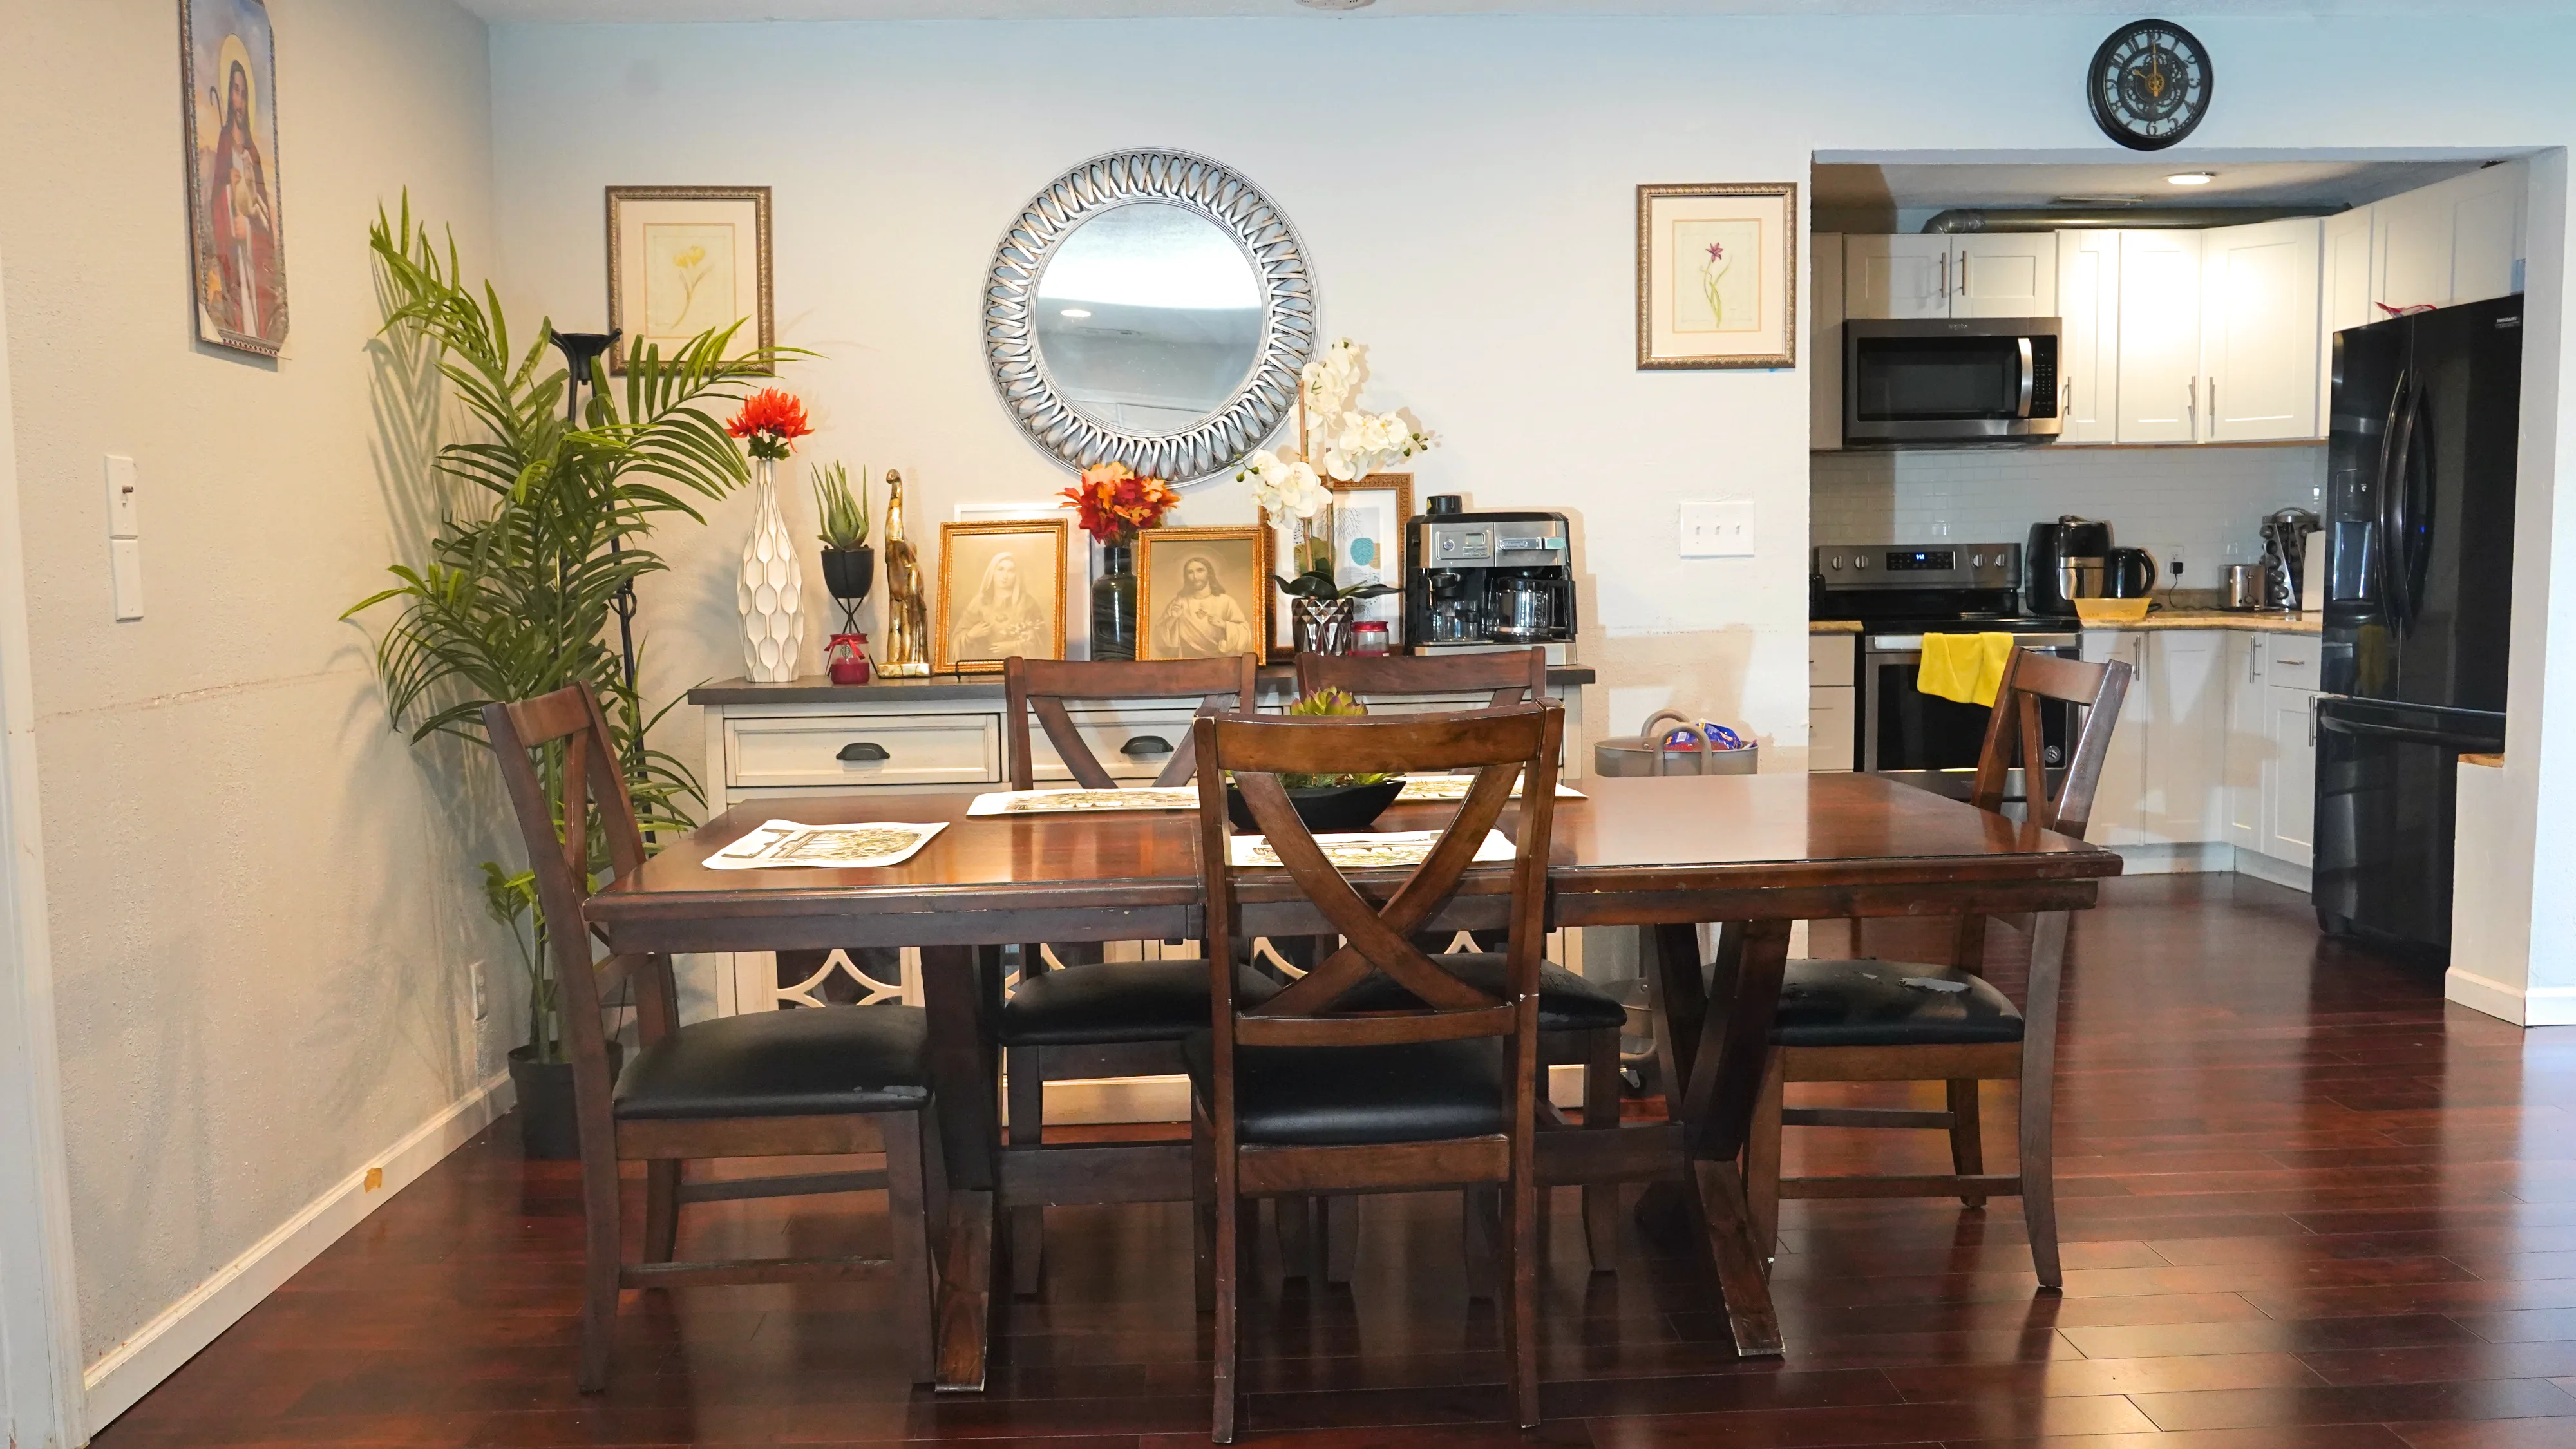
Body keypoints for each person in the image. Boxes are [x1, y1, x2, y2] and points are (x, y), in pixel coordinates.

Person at [203, 57, 281, 343]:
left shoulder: (254, 153)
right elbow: (216, 201)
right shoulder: (224, 144)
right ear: (228, 94)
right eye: (236, 91)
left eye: (245, 93)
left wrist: (248, 228)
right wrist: (229, 195)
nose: (240, 100)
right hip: (234, 254)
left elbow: (262, 214)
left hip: (251, 252)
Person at [950, 549, 1049, 664]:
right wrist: (970, 635)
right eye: (1000, 569)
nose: (1005, 576)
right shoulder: (979, 603)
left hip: (1017, 669)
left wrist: (1013, 646)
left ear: (1017, 575)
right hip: (983, 669)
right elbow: (957, 637)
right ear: (992, 572)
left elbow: (1042, 640)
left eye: (1011, 571)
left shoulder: (1028, 604)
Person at [1155, 555, 1253, 658]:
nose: (1195, 576)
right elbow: (1159, 636)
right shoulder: (1180, 602)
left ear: (1209, 573)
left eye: (1200, 571)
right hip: (1188, 661)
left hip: (1220, 661)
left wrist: (1224, 625)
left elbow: (1244, 632)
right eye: (1190, 572)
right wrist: (1173, 618)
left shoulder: (1225, 601)